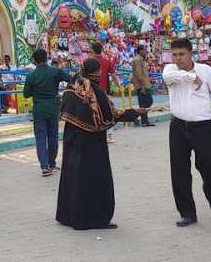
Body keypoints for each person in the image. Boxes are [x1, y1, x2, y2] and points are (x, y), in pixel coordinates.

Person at [57, 58, 147, 230]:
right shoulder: (95, 92)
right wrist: (134, 112)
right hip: (92, 145)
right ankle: (94, 219)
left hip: (72, 142)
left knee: (73, 178)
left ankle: (69, 215)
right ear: (97, 73)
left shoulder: (72, 88)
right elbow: (109, 116)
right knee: (94, 180)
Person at [162, 38, 211, 227]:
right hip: (178, 127)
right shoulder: (170, 70)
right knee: (179, 170)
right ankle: (187, 213)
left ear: (191, 54)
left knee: (210, 164)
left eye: (181, 54)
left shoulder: (206, 71)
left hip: (202, 127)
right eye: (174, 55)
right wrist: (191, 77)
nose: (178, 58)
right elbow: (168, 78)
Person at [24, 49, 73, 177]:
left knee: (40, 138)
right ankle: (52, 163)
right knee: (53, 137)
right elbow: (71, 80)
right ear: (46, 58)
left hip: (39, 109)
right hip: (53, 108)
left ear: (34, 60)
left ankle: (44, 166)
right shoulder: (55, 71)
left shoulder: (31, 76)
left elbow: (26, 94)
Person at [92, 42, 117, 142]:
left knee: (94, 112)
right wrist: (119, 87)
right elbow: (114, 75)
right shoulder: (107, 61)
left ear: (93, 51)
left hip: (93, 91)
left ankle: (96, 134)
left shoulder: (90, 62)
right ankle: (110, 135)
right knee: (108, 112)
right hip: (105, 91)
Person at [131, 45, 155, 127]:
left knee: (144, 104)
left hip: (144, 85)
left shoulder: (141, 60)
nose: (146, 52)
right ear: (140, 51)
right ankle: (135, 116)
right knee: (148, 102)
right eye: (145, 50)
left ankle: (144, 121)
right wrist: (142, 87)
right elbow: (139, 75)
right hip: (142, 86)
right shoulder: (137, 60)